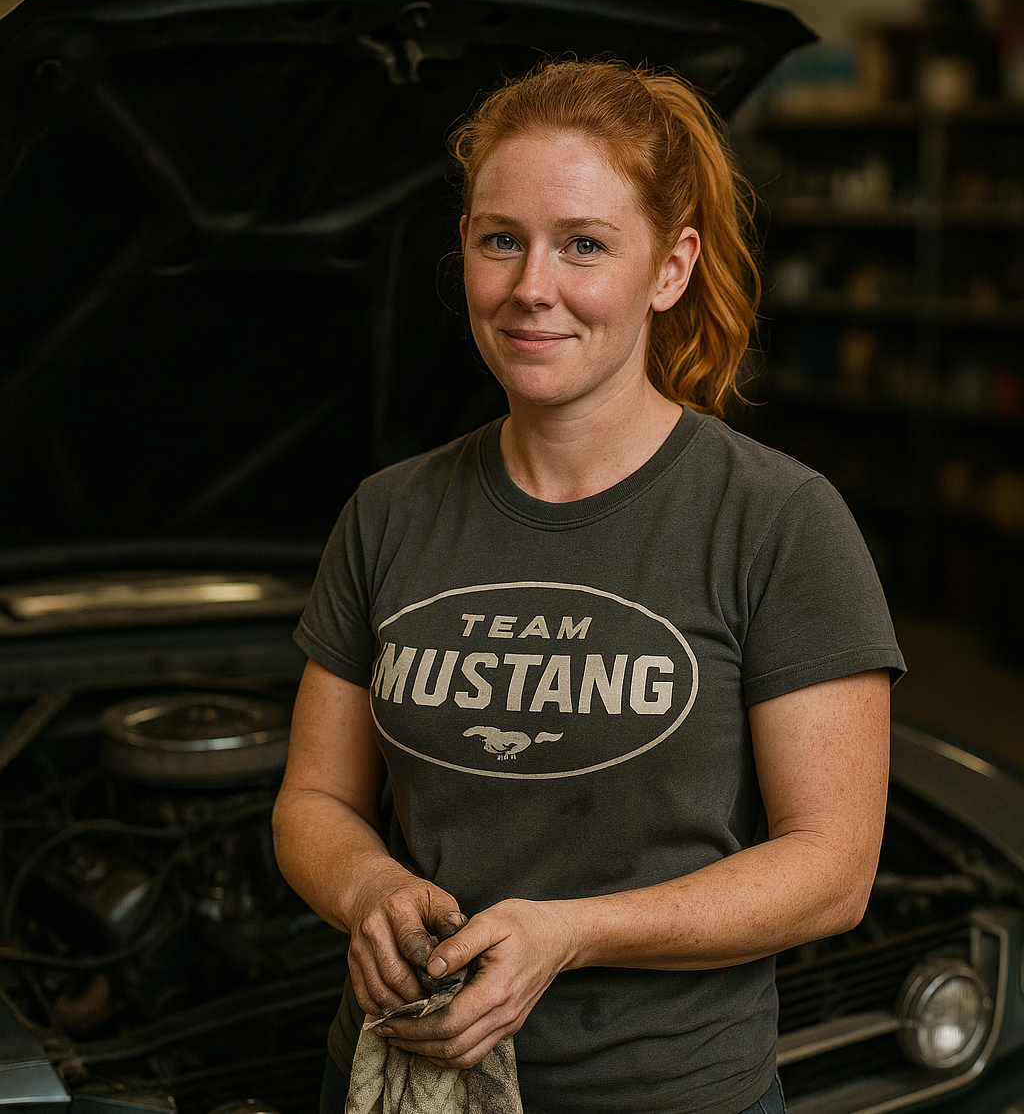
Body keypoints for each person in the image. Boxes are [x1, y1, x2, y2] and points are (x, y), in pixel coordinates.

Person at [272, 59, 905, 1114]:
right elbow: (316, 799)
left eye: (583, 244)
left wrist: (571, 932)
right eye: (500, 239)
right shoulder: (388, 513)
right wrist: (367, 886)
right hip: (401, 1079)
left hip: (665, 1092)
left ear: (670, 267)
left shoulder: (776, 519)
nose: (531, 285)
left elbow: (832, 870)